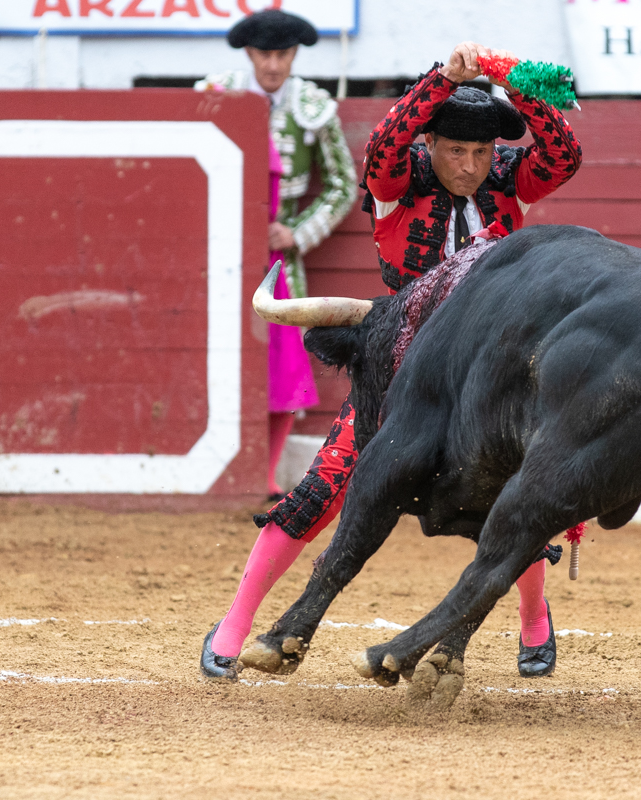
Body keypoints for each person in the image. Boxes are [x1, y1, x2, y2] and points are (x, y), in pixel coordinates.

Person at [201, 41, 583, 683]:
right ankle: (236, 623)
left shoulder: (506, 181)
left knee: (518, 494)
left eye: (482, 152)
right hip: (405, 366)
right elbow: (383, 143)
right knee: (323, 486)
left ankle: (534, 621)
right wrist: (442, 78)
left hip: (489, 373)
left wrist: (506, 80)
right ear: (430, 143)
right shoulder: (396, 180)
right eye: (455, 150)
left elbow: (564, 154)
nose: (468, 166)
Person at [196, 11, 357, 497]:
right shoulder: (217, 95)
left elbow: (344, 184)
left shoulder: (311, 107)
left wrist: (297, 232)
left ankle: (265, 476)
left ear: (294, 55)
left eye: (283, 54)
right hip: (218, 245)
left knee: (281, 362)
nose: (273, 64)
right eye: (265, 54)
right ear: (249, 54)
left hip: (275, 256)